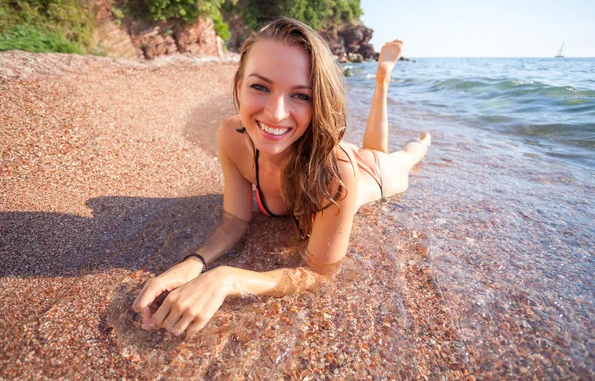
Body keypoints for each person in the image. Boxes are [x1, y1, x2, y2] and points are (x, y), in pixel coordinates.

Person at [132, 17, 431, 338]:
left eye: (300, 95)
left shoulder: (338, 174)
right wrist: (193, 263)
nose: (275, 113)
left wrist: (229, 278)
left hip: (370, 173)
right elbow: (234, 222)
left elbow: (318, 272)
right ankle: (381, 83)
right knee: (372, 149)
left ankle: (385, 86)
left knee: (396, 158)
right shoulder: (232, 135)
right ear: (238, 86)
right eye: (260, 86)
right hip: (310, 141)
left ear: (319, 101)